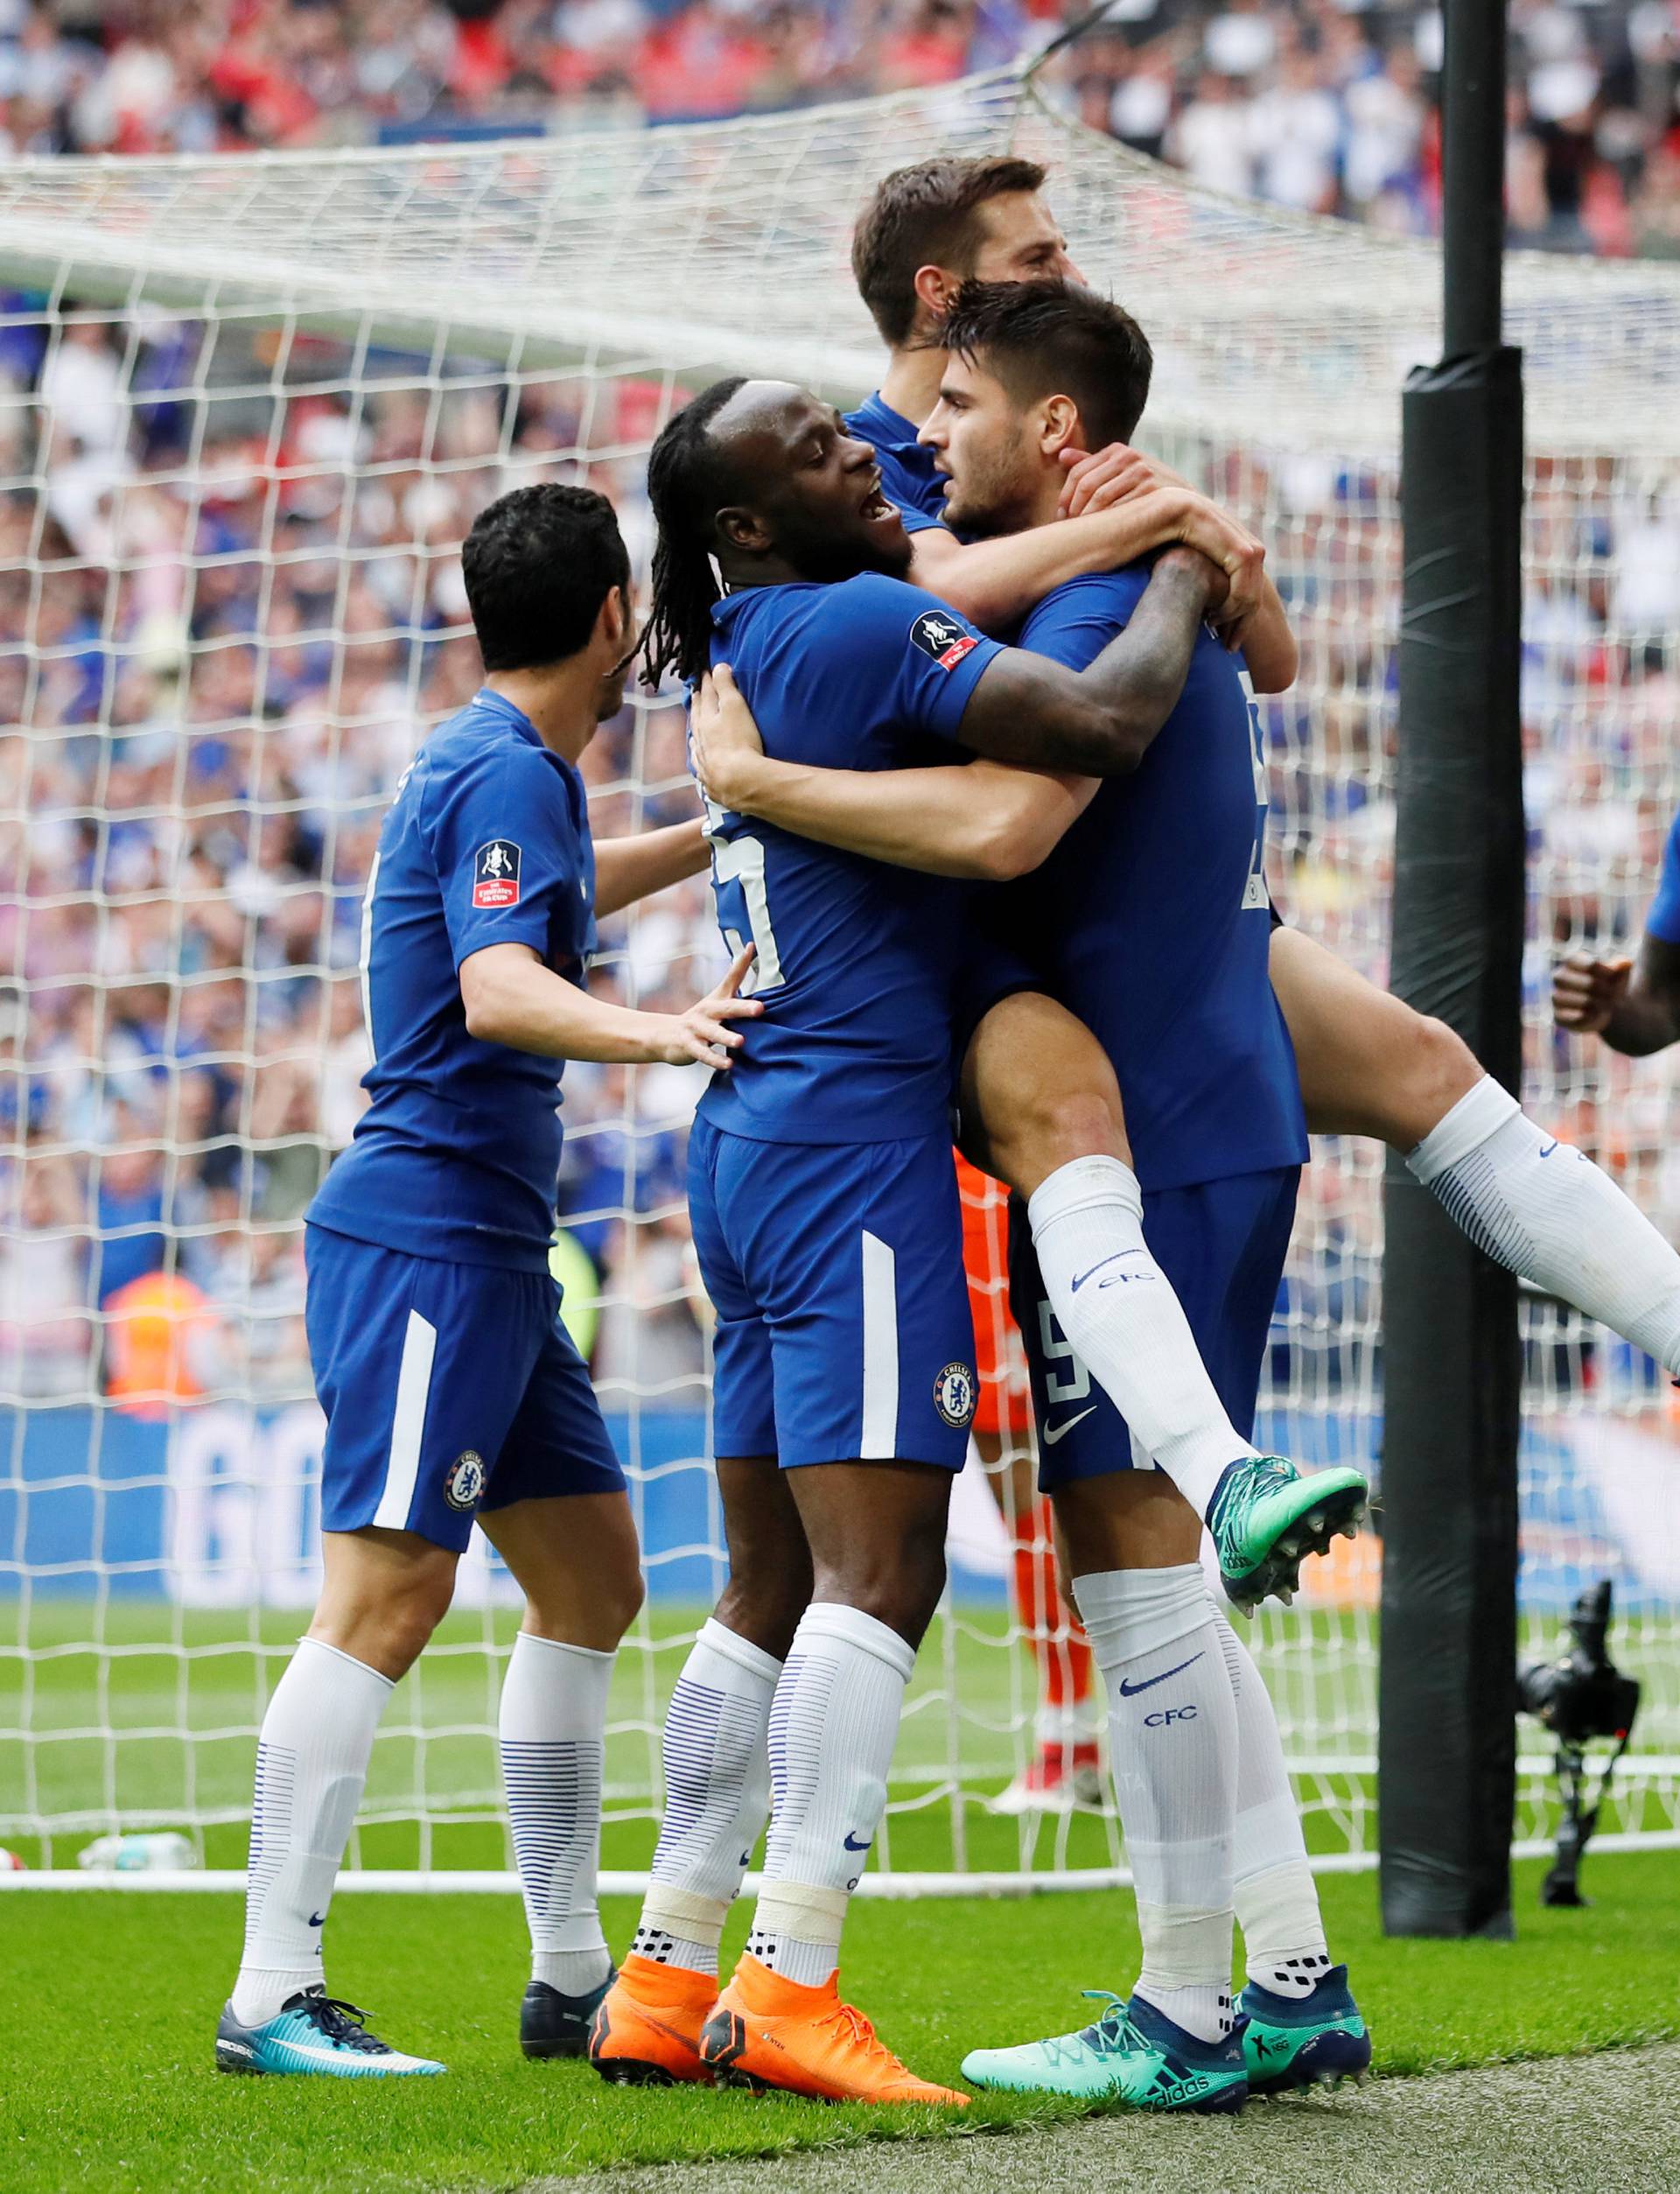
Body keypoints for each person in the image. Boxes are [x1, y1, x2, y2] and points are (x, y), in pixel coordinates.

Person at [587, 370, 1317, 2107]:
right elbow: (1088, 727)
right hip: (853, 1146)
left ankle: (667, 1968)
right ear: (751, 523)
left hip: (752, 1139)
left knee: (764, 1583)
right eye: (825, 452)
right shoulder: (850, 619)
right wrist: (1175, 563)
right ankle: (793, 1978)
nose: (867, 454)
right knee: (883, 1572)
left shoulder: (758, 637)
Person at [850, 155, 1680, 1388]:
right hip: (991, 936)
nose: (1066, 272)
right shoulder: (872, 454)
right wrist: (1144, 525)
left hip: (1143, 886)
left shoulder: (1074, 437)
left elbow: (1273, 652)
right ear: (939, 290)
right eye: (1035, 257)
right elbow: (928, 591)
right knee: (1072, 1311)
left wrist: (1198, 534)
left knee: (1427, 1067)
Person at [214, 483, 757, 2078]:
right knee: (385, 1596)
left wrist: (734, 829)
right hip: (427, 1238)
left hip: (492, 1251)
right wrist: (663, 1031)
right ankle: (268, 1995)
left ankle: (569, 1977)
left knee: (591, 1582)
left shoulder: (496, 768)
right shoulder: (507, 772)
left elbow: (562, 887)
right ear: (612, 618)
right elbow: (503, 985)